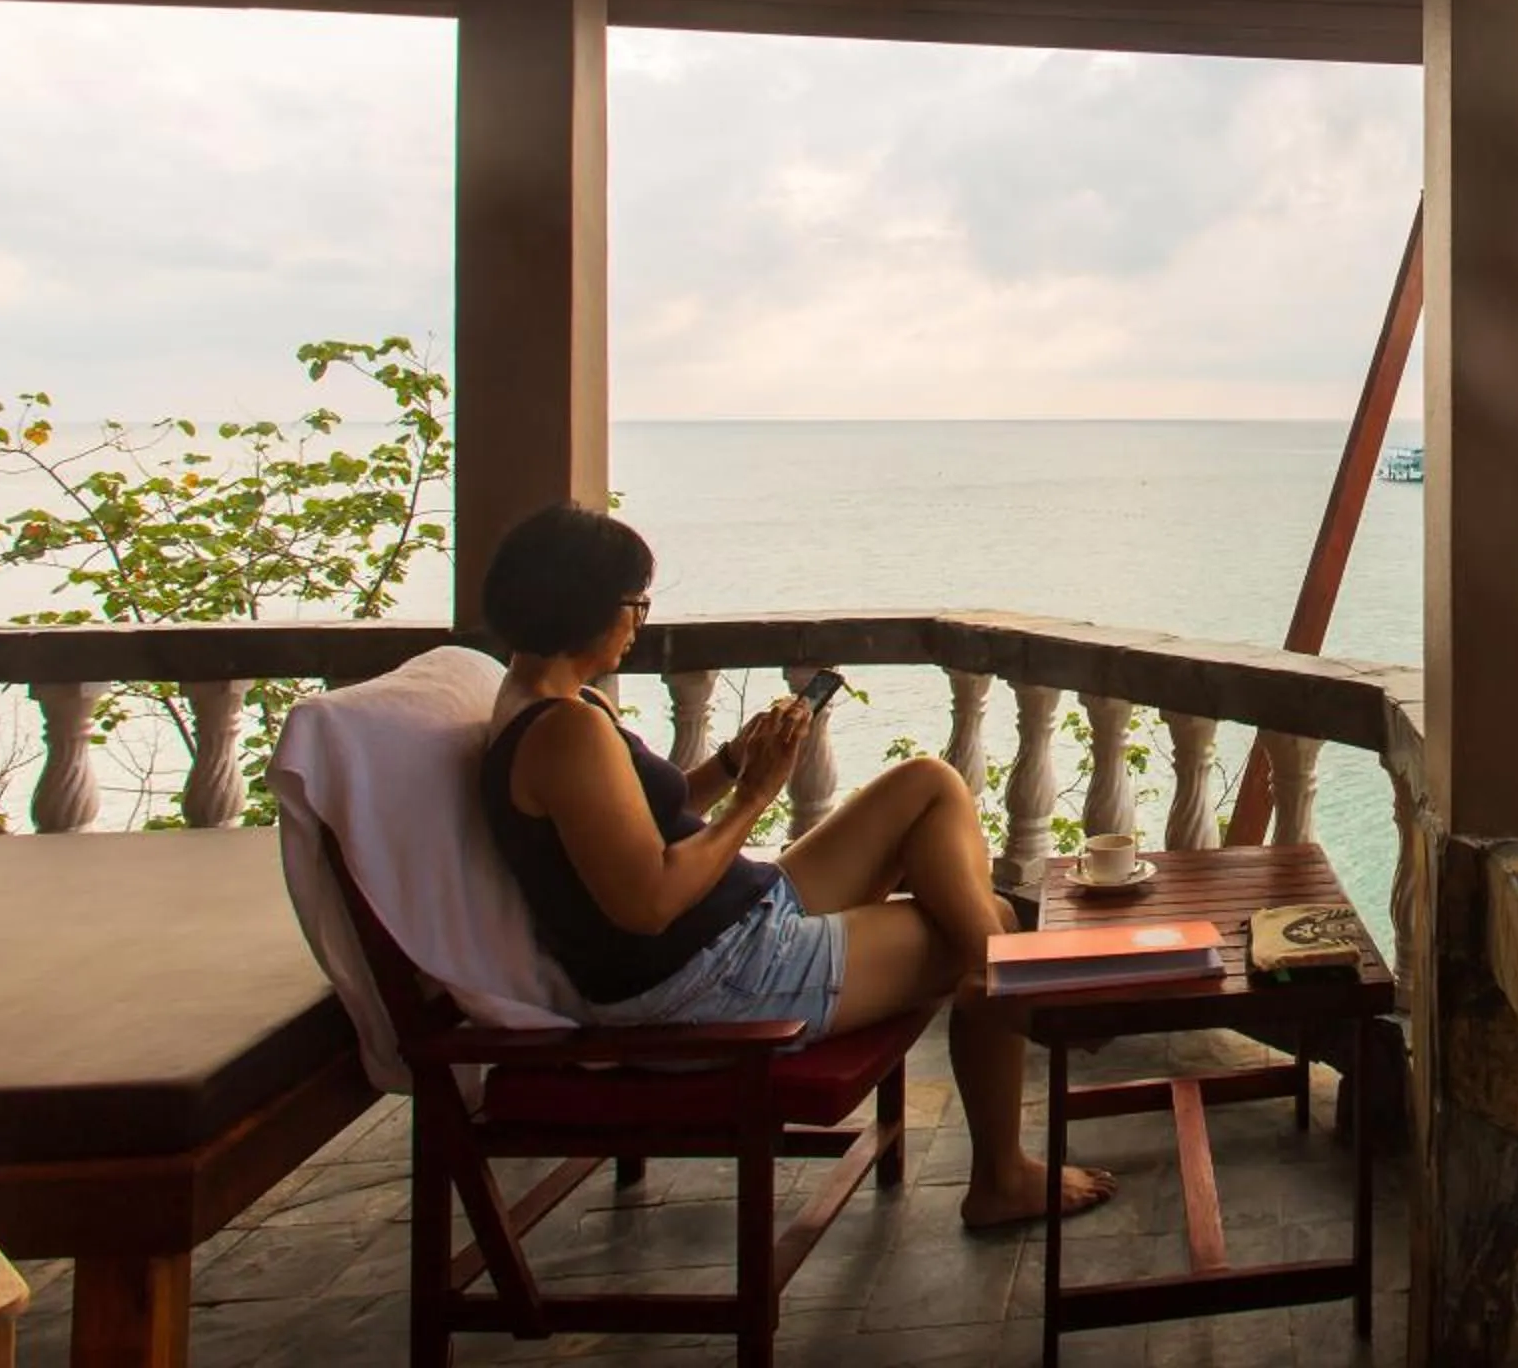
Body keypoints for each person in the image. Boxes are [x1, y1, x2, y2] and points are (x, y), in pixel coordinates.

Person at [473, 501, 1112, 1227]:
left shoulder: (551, 701)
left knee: (928, 783)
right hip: (713, 977)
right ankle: (1005, 1154)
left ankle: (1017, 987)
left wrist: (729, 763)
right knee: (987, 925)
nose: (638, 621)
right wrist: (756, 796)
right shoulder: (566, 733)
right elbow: (645, 901)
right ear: (584, 604)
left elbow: (636, 820)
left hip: (733, 920)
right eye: (634, 603)